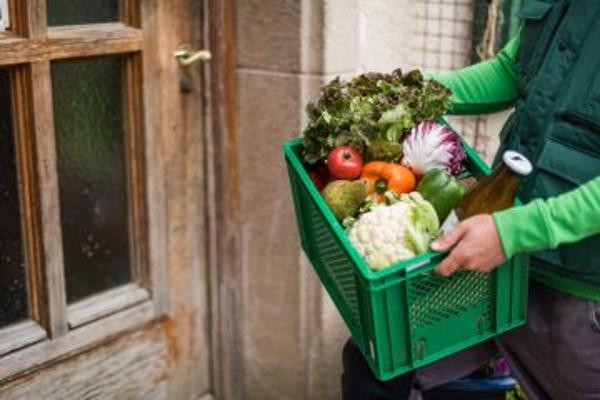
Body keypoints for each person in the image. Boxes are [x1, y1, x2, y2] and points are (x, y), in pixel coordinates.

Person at [342, 1, 600, 399]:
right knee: (379, 361)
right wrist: (409, 94)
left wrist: (512, 231)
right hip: (496, 261)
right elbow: (511, 71)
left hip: (576, 292)